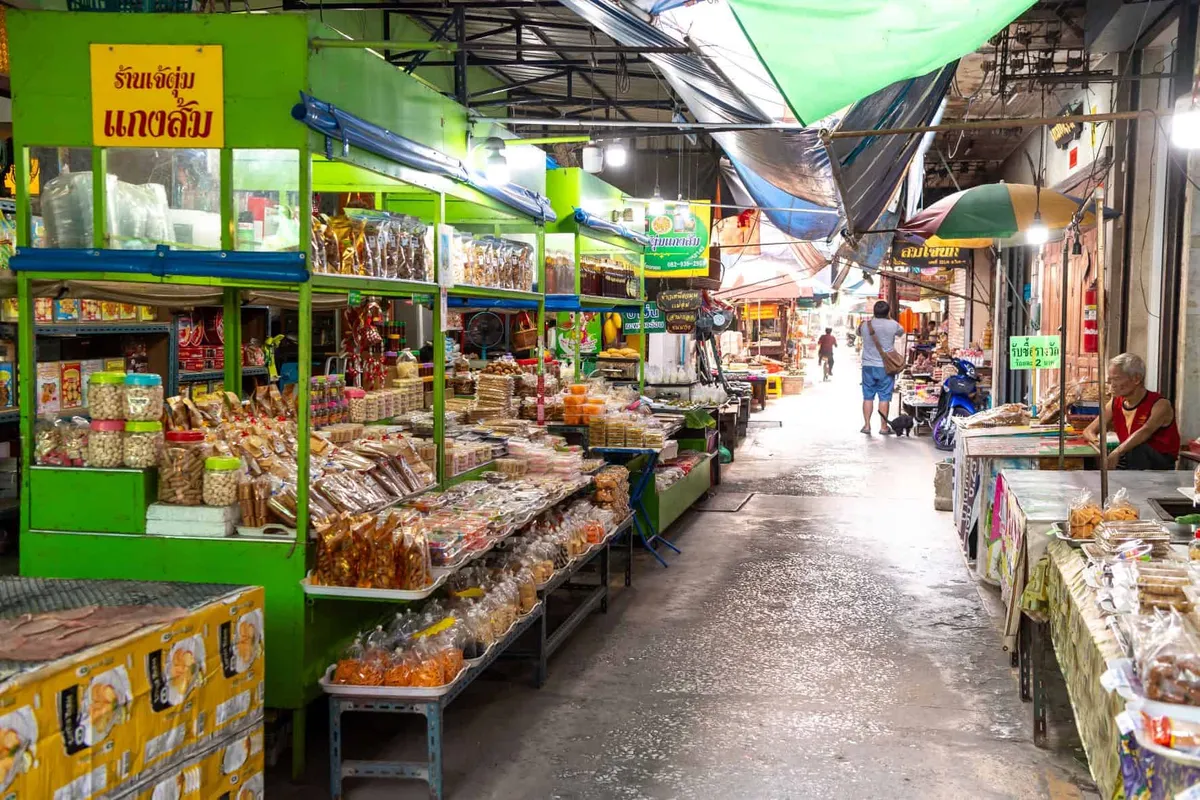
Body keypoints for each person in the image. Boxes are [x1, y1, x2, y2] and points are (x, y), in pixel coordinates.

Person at [1083, 353, 1180, 470]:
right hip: (1127, 455)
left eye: (1116, 379)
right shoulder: (1115, 402)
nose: (1112, 385)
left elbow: (1145, 431)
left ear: (1136, 379)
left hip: (1158, 464)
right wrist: (1097, 442)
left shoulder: (1160, 404)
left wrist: (1118, 451)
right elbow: (1089, 430)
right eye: (1110, 380)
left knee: (1135, 448)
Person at [858, 301, 904, 435]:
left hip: (868, 366)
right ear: (888, 312)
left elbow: (858, 332)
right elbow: (901, 332)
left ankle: (867, 426)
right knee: (884, 397)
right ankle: (883, 427)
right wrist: (889, 319)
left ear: (874, 311)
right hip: (886, 366)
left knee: (868, 397)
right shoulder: (893, 324)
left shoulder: (864, 325)